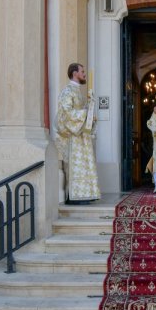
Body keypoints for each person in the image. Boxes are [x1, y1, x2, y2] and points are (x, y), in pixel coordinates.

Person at [56, 63, 100, 204]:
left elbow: (82, 112)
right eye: (82, 71)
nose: (84, 74)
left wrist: (90, 111)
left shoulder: (78, 91)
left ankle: (86, 194)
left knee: (85, 166)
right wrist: (85, 113)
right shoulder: (67, 91)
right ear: (75, 73)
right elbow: (67, 113)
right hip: (73, 137)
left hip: (81, 136)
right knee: (76, 167)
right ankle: (75, 197)